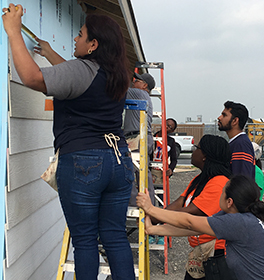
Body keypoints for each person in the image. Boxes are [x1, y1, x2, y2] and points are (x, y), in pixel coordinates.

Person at [2, 6, 135, 279]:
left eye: (80, 35)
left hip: (85, 162)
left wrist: (13, 30)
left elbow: (32, 78)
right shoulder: (115, 75)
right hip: (119, 161)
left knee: (85, 241)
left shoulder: (82, 70)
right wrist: (50, 53)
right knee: (115, 237)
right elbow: (75, 78)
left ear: (93, 45)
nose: (75, 39)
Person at [137, 175, 264, 280]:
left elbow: (189, 221)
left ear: (229, 201)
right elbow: (196, 227)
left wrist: (152, 209)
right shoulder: (239, 215)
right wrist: (154, 230)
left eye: (222, 192)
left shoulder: (240, 222)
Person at [150, 134, 232, 279]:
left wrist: (152, 214)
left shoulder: (219, 183)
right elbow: (179, 204)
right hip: (201, 252)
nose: (193, 152)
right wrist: (154, 218)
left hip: (216, 255)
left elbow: (188, 215)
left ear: (205, 156)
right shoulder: (200, 179)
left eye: (197, 148)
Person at [124, 72, 156, 206]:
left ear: (144, 85)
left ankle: (136, 207)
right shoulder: (142, 96)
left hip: (138, 137)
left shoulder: (140, 94)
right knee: (140, 173)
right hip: (139, 136)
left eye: (136, 80)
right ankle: (149, 207)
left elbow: (117, 88)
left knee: (130, 171)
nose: (133, 82)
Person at [217, 101, 255, 178]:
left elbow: (242, 181)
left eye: (224, 115)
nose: (219, 117)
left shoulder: (241, 145)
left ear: (235, 121)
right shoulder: (236, 142)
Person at [151, 118, 178, 184]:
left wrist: (171, 169)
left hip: (161, 173)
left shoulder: (171, 141)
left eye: (169, 127)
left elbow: (174, 159)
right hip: (150, 171)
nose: (166, 126)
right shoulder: (152, 138)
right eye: (166, 124)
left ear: (172, 131)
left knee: (160, 193)